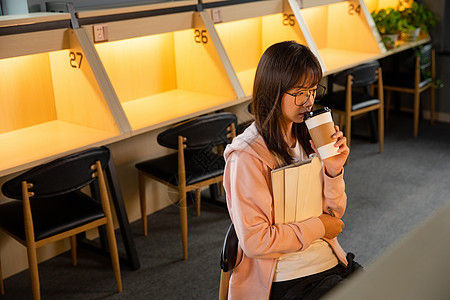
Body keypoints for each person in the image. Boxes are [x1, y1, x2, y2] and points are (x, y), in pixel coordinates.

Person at [222, 41, 361, 300]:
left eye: (312, 90)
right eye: (299, 92)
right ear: (273, 91)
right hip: (284, 277)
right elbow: (255, 242)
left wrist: (333, 171)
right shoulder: (246, 156)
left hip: (327, 260)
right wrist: (319, 227)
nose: (308, 101)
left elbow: (335, 215)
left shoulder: (308, 138)